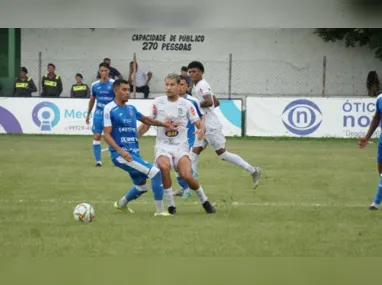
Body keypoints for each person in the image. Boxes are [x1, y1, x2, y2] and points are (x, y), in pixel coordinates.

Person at [137, 74, 216, 215]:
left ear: (179, 86)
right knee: (164, 167)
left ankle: (205, 201)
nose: (169, 87)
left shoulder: (187, 105)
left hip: (181, 147)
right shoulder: (157, 102)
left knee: (186, 175)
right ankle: (171, 206)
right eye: (166, 84)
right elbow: (147, 123)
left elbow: (198, 124)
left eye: (172, 84)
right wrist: (135, 136)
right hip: (163, 146)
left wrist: (201, 130)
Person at [103, 79, 179, 216]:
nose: (128, 93)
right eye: (124, 90)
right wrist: (121, 151)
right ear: (115, 91)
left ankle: (120, 204)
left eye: (128, 90)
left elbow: (147, 120)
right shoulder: (109, 109)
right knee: (156, 173)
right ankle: (160, 211)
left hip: (133, 153)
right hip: (121, 155)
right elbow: (106, 135)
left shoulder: (131, 109)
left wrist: (165, 125)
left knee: (141, 186)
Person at [187, 61, 262, 188]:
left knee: (223, 154)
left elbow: (210, 102)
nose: (191, 74)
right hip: (202, 125)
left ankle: (253, 171)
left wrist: (193, 105)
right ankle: (190, 187)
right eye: (190, 71)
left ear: (201, 72)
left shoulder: (201, 85)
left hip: (210, 126)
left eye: (194, 71)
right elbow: (216, 102)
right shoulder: (200, 85)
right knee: (193, 154)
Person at [173, 75, 205, 198]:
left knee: (182, 165)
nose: (180, 87)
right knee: (176, 166)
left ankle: (188, 189)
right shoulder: (169, 101)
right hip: (173, 139)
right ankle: (186, 186)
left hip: (189, 139)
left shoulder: (193, 101)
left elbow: (202, 116)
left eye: (182, 85)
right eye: (178, 84)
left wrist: (201, 129)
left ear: (188, 87)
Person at [86, 62, 115, 166]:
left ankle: (115, 159)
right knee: (97, 136)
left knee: (111, 137)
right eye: (101, 71)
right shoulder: (95, 85)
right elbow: (92, 100)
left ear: (109, 71)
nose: (103, 73)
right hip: (98, 114)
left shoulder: (114, 84)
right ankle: (98, 161)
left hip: (110, 115)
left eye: (105, 71)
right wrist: (88, 114)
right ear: (99, 71)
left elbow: (118, 99)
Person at [359, 93, 382, 210]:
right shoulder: (380, 99)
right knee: (381, 171)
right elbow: (377, 117)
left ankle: (376, 203)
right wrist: (367, 137)